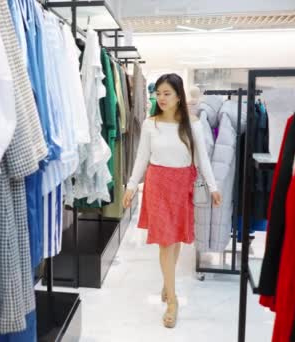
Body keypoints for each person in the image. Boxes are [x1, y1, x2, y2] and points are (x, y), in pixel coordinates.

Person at [122, 73, 222, 329]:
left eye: (167, 93)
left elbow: (202, 160)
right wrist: (131, 186)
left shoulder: (194, 124)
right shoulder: (150, 123)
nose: (161, 98)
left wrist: (213, 186)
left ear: (179, 96)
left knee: (175, 238)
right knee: (165, 242)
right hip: (157, 185)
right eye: (159, 93)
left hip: (182, 186)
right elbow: (141, 157)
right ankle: (172, 300)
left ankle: (167, 284)